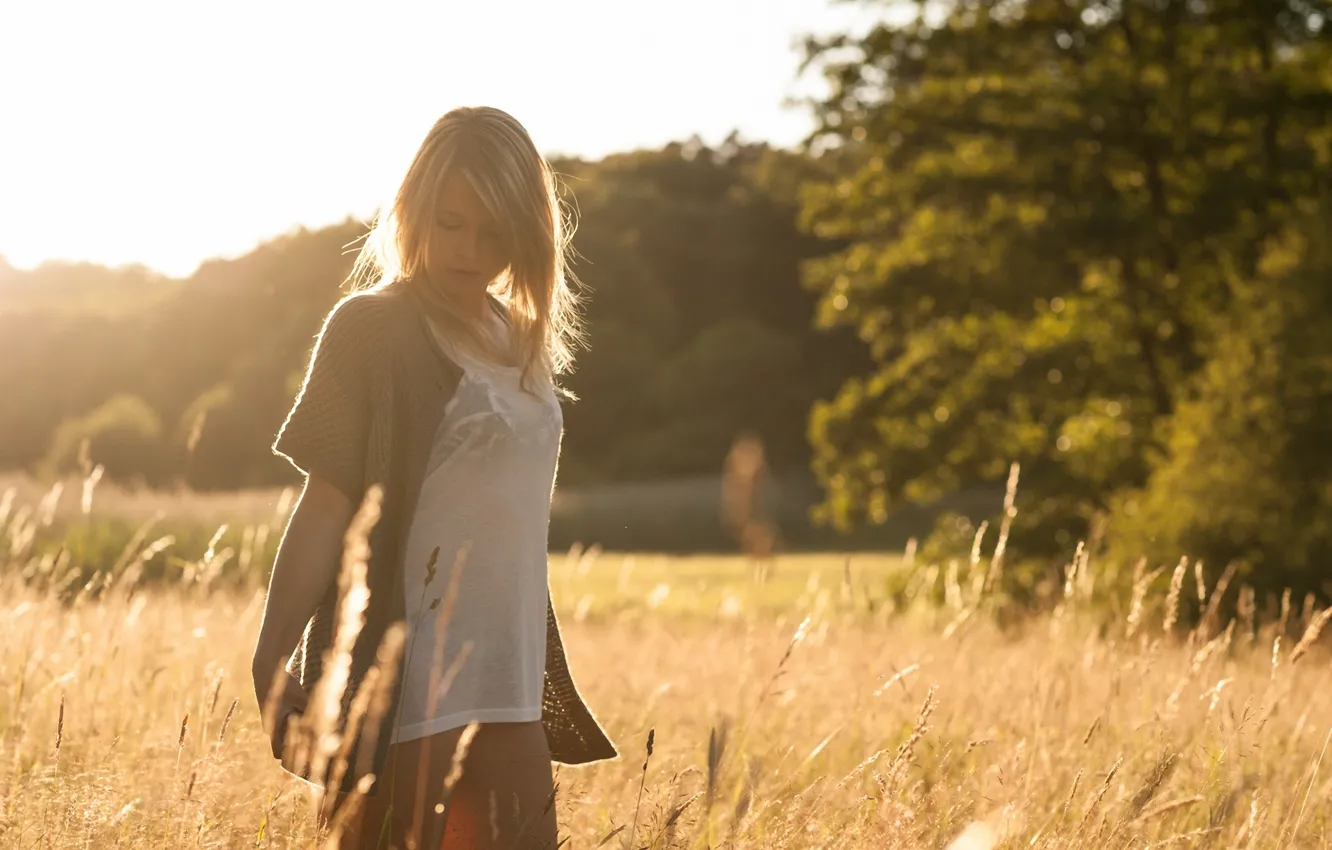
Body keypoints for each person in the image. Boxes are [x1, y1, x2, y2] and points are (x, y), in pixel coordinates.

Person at [249, 106, 617, 849]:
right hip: (409, 680)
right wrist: (272, 652)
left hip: (511, 680)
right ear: (413, 211)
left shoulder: (520, 336)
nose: (469, 249)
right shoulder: (373, 328)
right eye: (450, 223)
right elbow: (328, 505)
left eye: (493, 231)